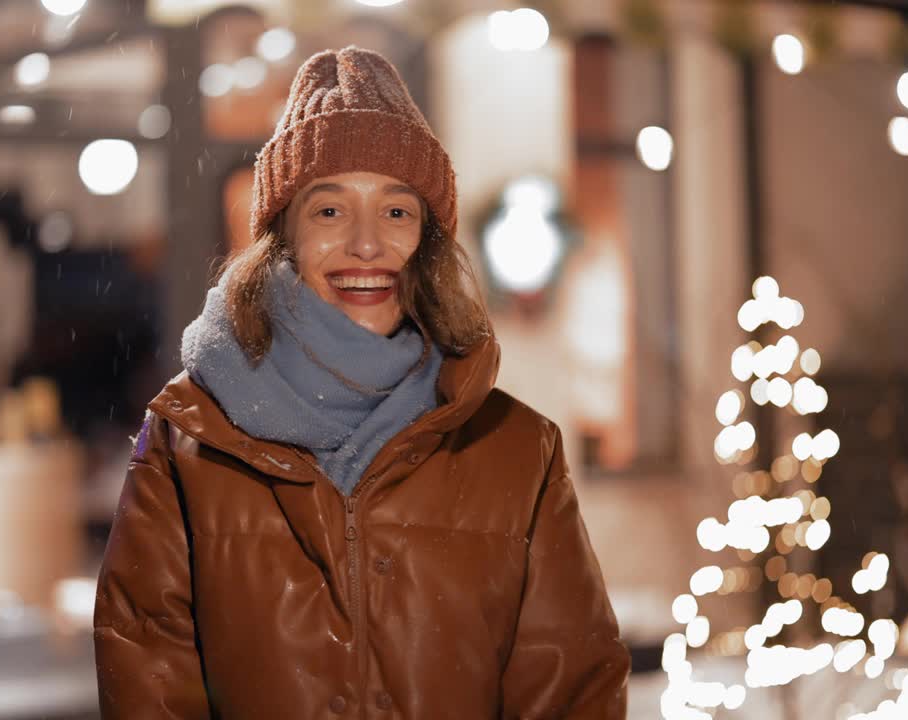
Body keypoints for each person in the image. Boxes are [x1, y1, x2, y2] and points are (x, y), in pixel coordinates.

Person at [93, 45, 629, 719]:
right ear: (281, 237)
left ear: (428, 241)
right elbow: (148, 680)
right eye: (329, 211)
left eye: (397, 212)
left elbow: (571, 690)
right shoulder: (185, 444)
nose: (367, 245)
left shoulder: (520, 451)